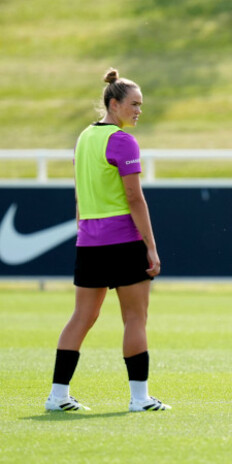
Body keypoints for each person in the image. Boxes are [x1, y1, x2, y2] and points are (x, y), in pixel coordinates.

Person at [45, 68, 170, 412]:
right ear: (113, 104)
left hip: (89, 243)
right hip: (123, 242)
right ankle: (140, 399)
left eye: (141, 105)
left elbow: (80, 194)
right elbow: (134, 199)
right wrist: (151, 246)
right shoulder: (123, 140)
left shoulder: (84, 137)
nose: (138, 111)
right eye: (133, 104)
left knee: (81, 317)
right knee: (134, 318)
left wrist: (83, 232)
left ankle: (57, 396)